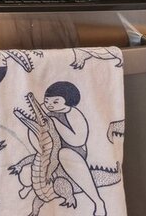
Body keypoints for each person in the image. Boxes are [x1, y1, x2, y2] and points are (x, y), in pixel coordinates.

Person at [42, 80, 107, 216]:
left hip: (73, 152)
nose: (49, 105)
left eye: (55, 102)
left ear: (67, 101)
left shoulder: (73, 114)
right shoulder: (47, 113)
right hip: (51, 151)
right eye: (47, 100)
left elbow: (77, 140)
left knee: (64, 153)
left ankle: (98, 201)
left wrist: (55, 123)